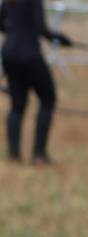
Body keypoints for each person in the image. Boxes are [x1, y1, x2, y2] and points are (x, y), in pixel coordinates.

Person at [0, 0, 72, 164]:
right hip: (29, 54)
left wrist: (15, 32)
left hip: (9, 52)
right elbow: (41, 29)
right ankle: (39, 154)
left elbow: (1, 24)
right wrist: (62, 39)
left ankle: (13, 154)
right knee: (48, 99)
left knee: (17, 105)